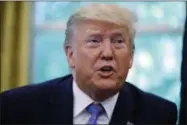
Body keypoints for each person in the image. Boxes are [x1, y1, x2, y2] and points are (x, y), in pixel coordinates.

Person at [1, 3, 177, 124]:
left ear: (131, 56)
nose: (108, 53)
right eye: (94, 41)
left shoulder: (158, 114)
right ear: (70, 55)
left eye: (118, 42)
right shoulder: (17, 107)